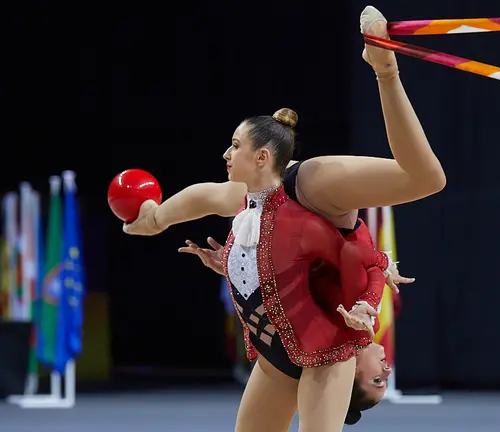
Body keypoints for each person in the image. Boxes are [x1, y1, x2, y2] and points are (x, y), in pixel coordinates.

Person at [123, 6, 445, 430]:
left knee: (422, 178)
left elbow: (420, 185)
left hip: (322, 354)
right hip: (277, 353)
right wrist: (155, 217)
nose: (225, 154)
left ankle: (384, 70)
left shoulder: (313, 183)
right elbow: (207, 197)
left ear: (260, 156)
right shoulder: (248, 199)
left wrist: (385, 72)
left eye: (234, 145)